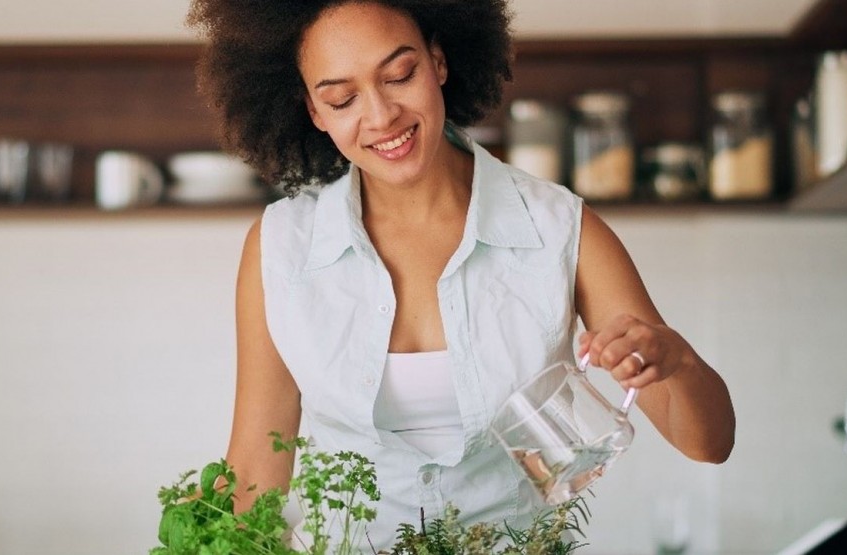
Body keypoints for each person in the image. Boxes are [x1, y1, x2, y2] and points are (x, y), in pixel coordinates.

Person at [188, 0, 735, 550]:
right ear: (313, 110)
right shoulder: (281, 246)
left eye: (400, 75)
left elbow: (709, 444)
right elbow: (257, 472)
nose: (381, 117)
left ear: (439, 61)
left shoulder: (559, 229)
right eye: (342, 98)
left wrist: (677, 359)